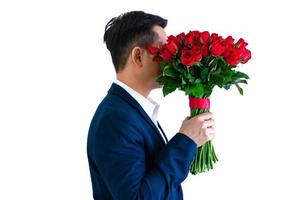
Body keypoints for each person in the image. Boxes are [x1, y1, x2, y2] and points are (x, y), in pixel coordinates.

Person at [87, 11, 215, 200]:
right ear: (138, 56)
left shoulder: (130, 111)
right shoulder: (115, 120)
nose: (173, 58)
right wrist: (185, 141)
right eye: (165, 49)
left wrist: (190, 141)